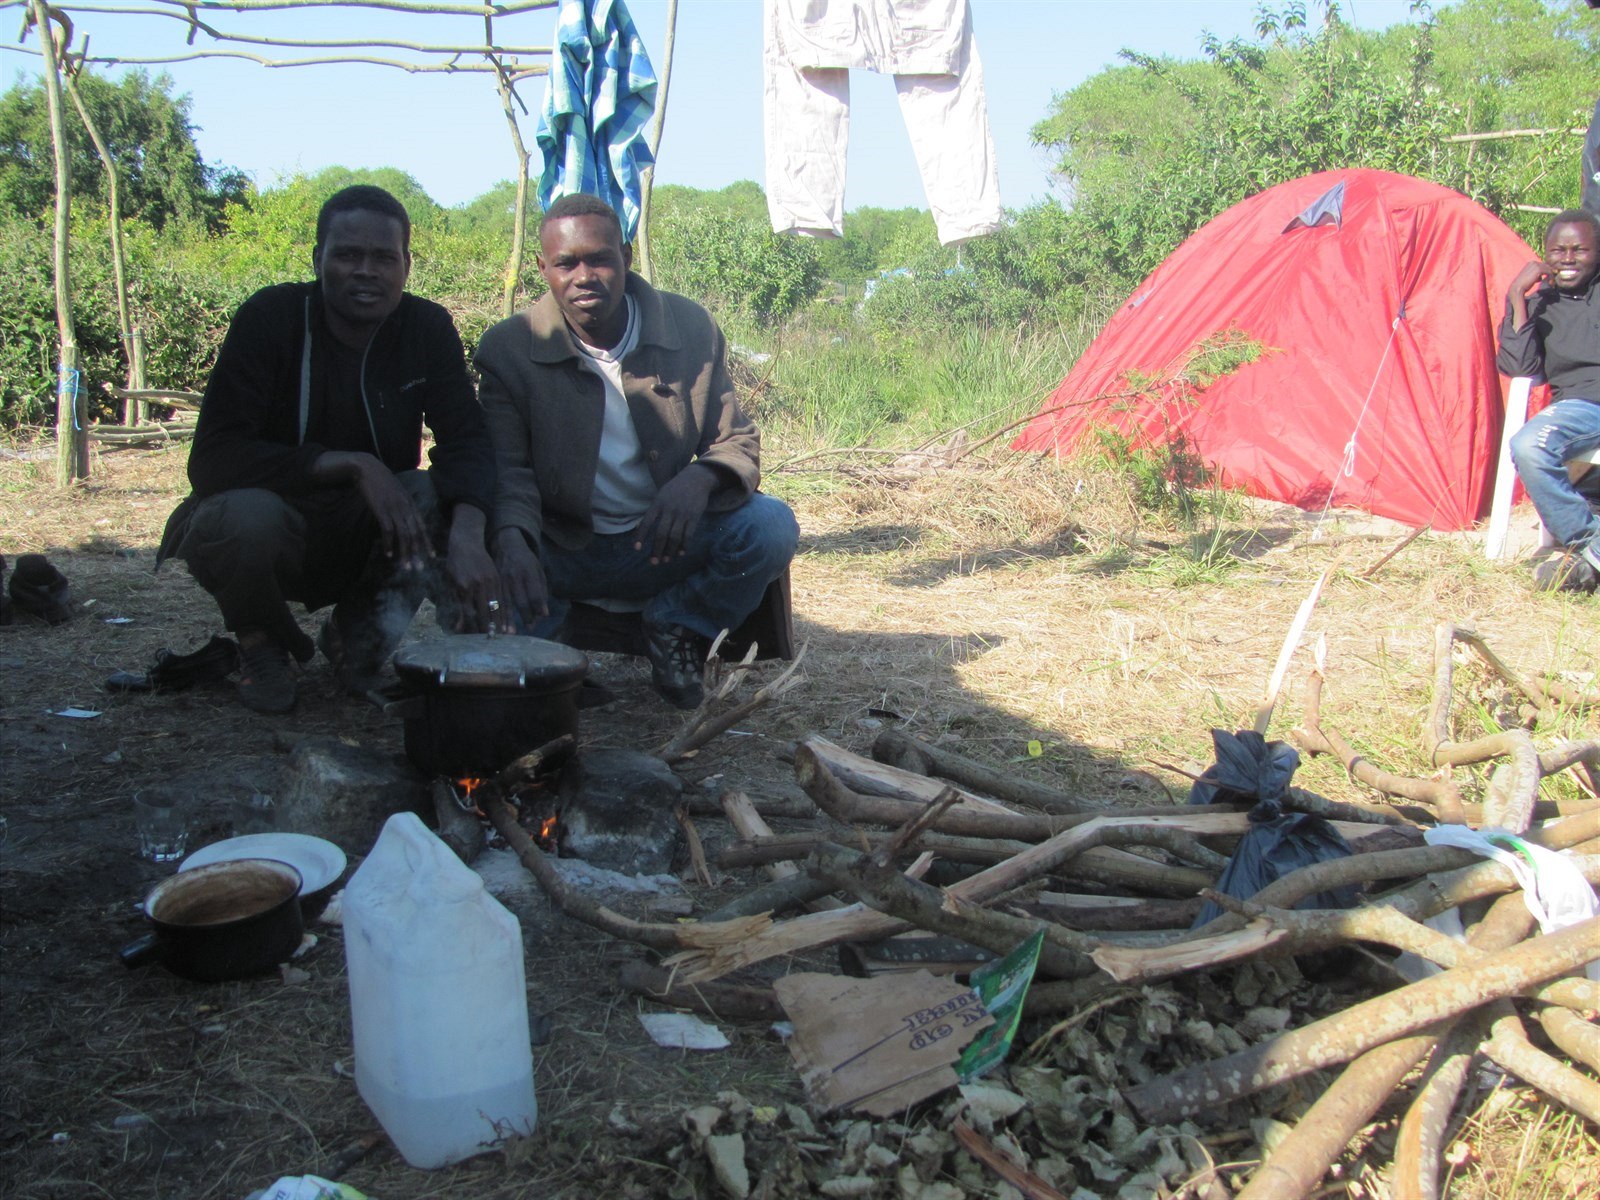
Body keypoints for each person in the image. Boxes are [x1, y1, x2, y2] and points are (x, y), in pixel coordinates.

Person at [158, 185, 500, 713]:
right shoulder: (269, 317)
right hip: (273, 522)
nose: (366, 270)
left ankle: (355, 643)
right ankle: (262, 644)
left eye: (384, 257)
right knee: (241, 518)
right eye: (347, 255)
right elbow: (211, 459)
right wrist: (351, 463)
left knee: (430, 493)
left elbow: (468, 440)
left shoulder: (426, 327)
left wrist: (471, 537)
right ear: (318, 259)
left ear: (406, 264)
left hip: (364, 529)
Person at [475, 193, 799, 708]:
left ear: (625, 257)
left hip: (660, 542)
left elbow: (736, 440)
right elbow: (508, 471)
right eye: (566, 263)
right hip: (561, 546)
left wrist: (700, 479)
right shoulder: (507, 349)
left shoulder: (689, 328)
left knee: (769, 526)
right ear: (542, 268)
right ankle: (546, 650)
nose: (585, 275)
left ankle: (675, 624)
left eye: (600, 259)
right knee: (458, 537)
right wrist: (512, 538)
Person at [1498, 208, 1600, 594]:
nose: (1568, 259)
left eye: (1580, 250)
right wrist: (1516, 297)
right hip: (1580, 407)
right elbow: (1519, 366)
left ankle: (1584, 564)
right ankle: (1590, 541)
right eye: (1559, 251)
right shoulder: (1540, 303)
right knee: (1527, 446)